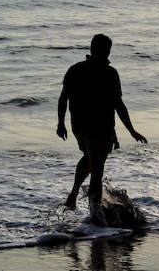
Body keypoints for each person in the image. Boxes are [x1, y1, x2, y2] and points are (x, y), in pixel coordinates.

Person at [57, 34, 147, 213]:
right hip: (100, 128)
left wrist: (61, 124)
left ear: (91, 49)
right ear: (107, 51)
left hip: (79, 127)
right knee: (96, 173)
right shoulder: (109, 73)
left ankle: (74, 193)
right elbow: (118, 104)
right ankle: (96, 218)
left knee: (90, 157)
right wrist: (131, 130)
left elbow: (63, 99)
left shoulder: (75, 69)